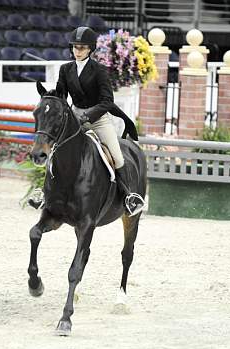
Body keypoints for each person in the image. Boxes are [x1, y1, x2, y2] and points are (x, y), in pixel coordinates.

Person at [30, 26, 145, 216]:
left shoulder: (99, 71)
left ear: (90, 49)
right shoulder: (66, 69)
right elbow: (62, 95)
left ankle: (129, 197)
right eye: (75, 47)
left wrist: (89, 116)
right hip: (75, 116)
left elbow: (108, 101)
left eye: (82, 48)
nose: (77, 51)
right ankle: (43, 193)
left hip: (98, 119)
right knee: (56, 149)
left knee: (116, 155)